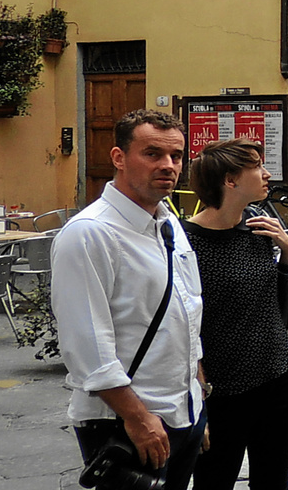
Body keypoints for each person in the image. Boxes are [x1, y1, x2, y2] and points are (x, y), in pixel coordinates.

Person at [52, 110, 207, 490]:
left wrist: (197, 398)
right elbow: (87, 344)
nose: (168, 165)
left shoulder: (167, 222)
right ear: (119, 157)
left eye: (176, 156)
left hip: (182, 411)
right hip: (127, 421)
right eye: (152, 154)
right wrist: (137, 419)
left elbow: (187, 310)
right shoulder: (90, 233)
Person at [183, 138, 288, 490]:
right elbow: (182, 327)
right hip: (221, 390)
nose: (267, 174)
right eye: (257, 167)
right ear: (230, 180)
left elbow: (279, 317)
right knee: (213, 482)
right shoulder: (186, 243)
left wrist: (286, 257)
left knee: (274, 483)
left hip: (277, 376)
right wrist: (195, 395)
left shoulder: (258, 228)